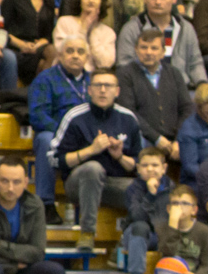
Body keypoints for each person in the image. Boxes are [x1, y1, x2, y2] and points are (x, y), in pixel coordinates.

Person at [51, 68, 142, 248]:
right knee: (93, 168)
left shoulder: (128, 118)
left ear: (117, 91)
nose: (102, 90)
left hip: (113, 184)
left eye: (108, 86)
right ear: (89, 90)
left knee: (150, 188)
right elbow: (55, 159)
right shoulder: (75, 116)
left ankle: (124, 245)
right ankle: (87, 233)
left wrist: (119, 157)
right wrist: (91, 150)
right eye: (98, 85)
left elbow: (138, 165)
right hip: (79, 183)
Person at [117, 0, 208, 87]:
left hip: (180, 88)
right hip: (143, 89)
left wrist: (203, 84)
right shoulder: (131, 29)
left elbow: (195, 63)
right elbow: (124, 66)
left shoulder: (186, 28)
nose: (158, 2)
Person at [117, 27, 194, 163]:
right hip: (144, 137)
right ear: (136, 49)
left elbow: (187, 108)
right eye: (143, 47)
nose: (148, 52)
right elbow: (129, 112)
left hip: (174, 138)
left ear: (163, 52)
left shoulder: (174, 73)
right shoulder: (125, 74)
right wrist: (157, 138)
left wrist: (178, 139)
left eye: (154, 48)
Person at [139, 185, 208, 274]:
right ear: (168, 209)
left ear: (194, 210)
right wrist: (173, 223)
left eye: (184, 203)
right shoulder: (162, 228)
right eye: (175, 204)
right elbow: (168, 252)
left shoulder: (203, 231)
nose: (179, 207)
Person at [121, 146, 175, 274]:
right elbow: (137, 216)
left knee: (173, 230)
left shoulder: (172, 189)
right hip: (136, 235)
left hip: (160, 237)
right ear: (138, 168)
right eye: (145, 166)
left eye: (155, 165)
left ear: (164, 168)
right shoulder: (133, 189)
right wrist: (151, 195)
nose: (150, 169)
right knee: (140, 226)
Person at [1, 0, 55, 84]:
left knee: (50, 53)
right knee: (45, 62)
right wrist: (21, 44)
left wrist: (42, 42)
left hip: (40, 49)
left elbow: (48, 35)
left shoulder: (49, 1)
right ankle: (40, 99)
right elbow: (2, 29)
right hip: (16, 50)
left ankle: (37, 98)